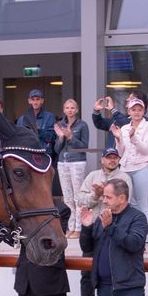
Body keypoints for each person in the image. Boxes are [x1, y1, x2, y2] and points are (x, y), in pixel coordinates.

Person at [75, 148, 132, 296]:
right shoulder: (92, 176)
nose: (112, 160)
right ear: (102, 160)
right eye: (109, 158)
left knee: (110, 271)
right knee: (86, 272)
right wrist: (95, 195)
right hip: (92, 228)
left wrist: (104, 196)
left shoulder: (124, 178)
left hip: (113, 228)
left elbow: (124, 203)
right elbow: (79, 200)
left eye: (115, 158)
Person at [110, 96, 148, 223]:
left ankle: (144, 237)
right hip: (125, 167)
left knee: (142, 204)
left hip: (141, 167)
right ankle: (132, 232)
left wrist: (134, 137)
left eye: (139, 109)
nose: (137, 112)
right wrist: (118, 139)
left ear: (144, 111)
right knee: (129, 203)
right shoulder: (124, 128)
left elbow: (145, 150)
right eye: (133, 109)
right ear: (129, 111)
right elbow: (120, 152)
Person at [53, 99, 89, 239]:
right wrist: (61, 138)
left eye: (72, 108)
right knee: (67, 197)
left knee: (78, 196)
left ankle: (79, 228)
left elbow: (84, 145)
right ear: (64, 110)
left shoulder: (82, 125)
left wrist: (71, 137)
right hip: (63, 162)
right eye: (67, 107)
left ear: (76, 110)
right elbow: (56, 149)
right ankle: (71, 227)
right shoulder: (60, 125)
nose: (70, 110)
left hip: (77, 162)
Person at [16, 89, 56, 155]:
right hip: (27, 154)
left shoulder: (49, 117)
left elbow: (52, 138)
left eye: (38, 99)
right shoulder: (22, 119)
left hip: (44, 154)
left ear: (42, 101)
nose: (35, 102)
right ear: (29, 101)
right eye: (33, 99)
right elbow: (18, 139)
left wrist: (39, 129)